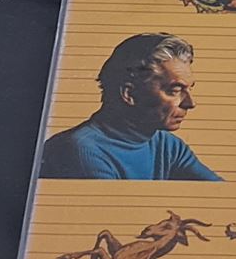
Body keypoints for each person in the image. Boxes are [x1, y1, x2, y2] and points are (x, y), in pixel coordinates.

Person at [39, 34, 220, 181]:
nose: (190, 103)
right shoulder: (81, 150)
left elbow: (220, 194)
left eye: (189, 89)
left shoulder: (168, 145)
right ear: (129, 94)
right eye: (175, 90)